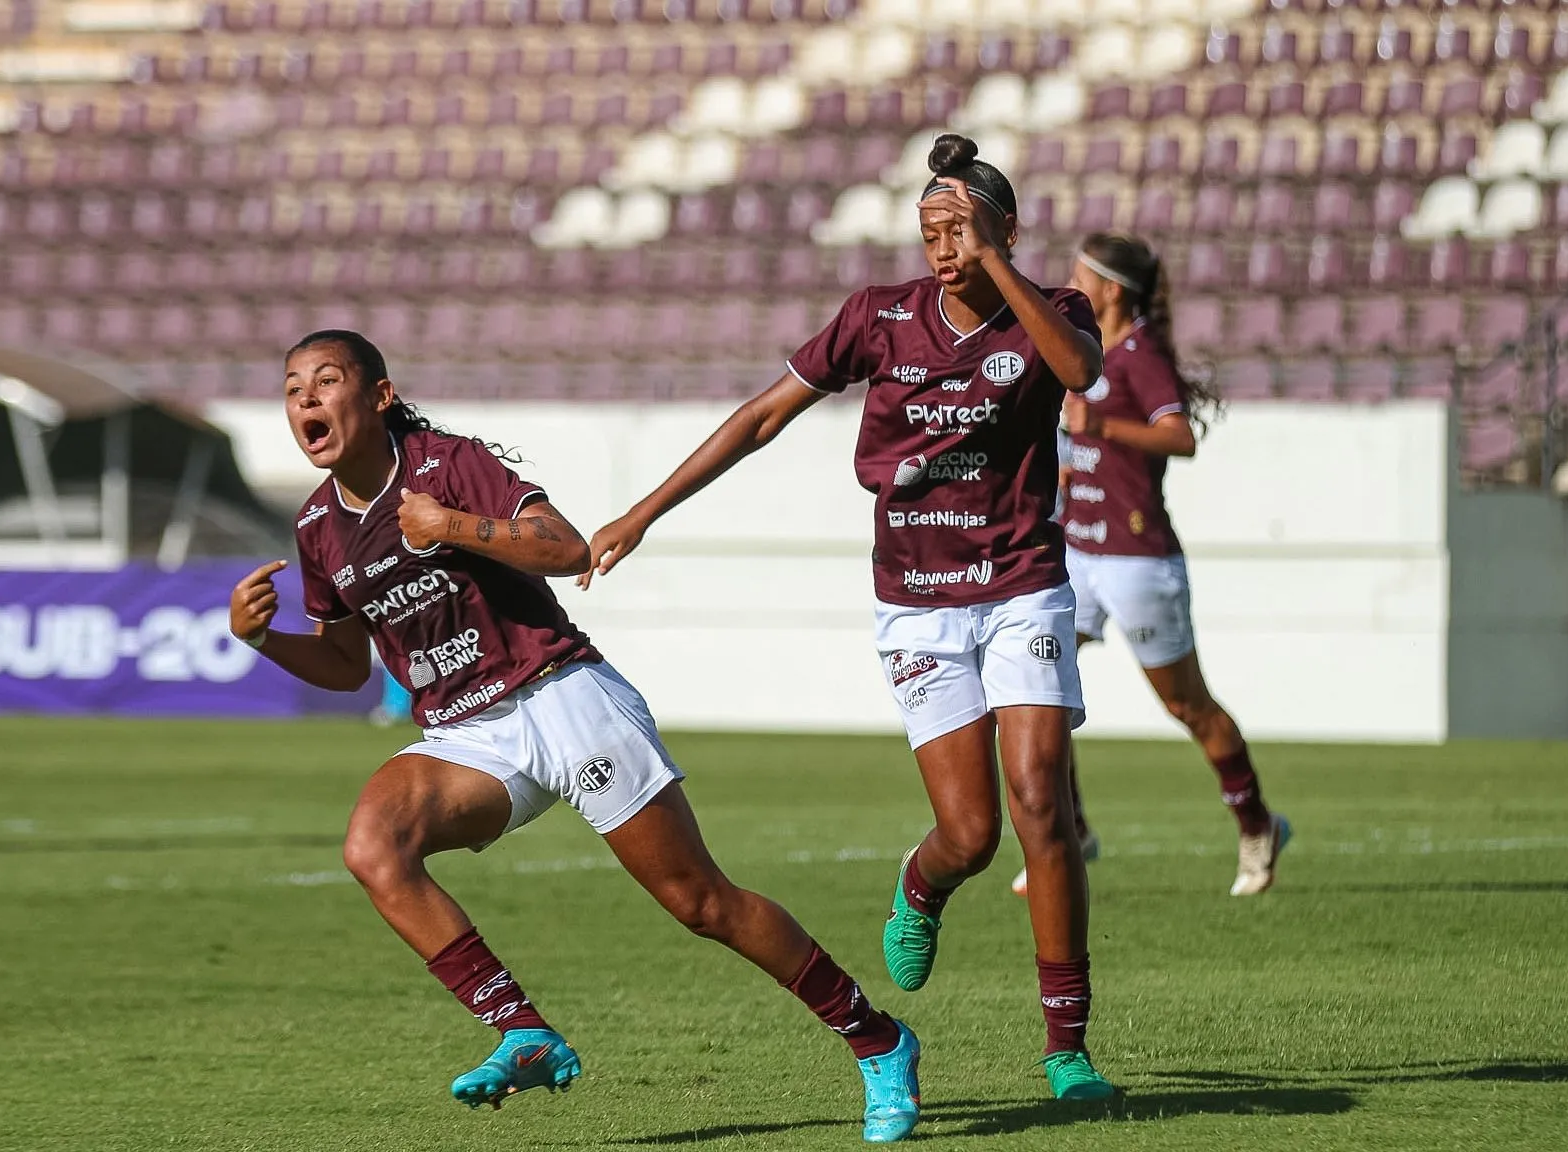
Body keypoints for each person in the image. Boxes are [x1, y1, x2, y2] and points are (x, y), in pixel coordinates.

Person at [228, 330, 923, 1142]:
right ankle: (524, 1033)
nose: (306, 400)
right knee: (374, 846)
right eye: (291, 389)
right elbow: (348, 666)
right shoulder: (318, 527)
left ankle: (878, 1039)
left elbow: (568, 548)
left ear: (379, 396)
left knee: (701, 903)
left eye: (326, 381)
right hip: (467, 735)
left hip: (560, 693)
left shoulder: (445, 465)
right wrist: (265, 640)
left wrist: (452, 524)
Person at [581, 135, 1119, 1101]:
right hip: (916, 602)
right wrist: (643, 512)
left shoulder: (1056, 311)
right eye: (928, 230)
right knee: (971, 836)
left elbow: (1079, 372)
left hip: (1023, 584)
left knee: (1041, 796)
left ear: (1002, 227)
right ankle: (923, 886)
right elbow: (760, 417)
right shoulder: (880, 318)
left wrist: (995, 257)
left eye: (958, 228)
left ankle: (1067, 1046)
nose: (940, 246)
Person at [1005, 233, 1288, 899]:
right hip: (1076, 552)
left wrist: (1101, 428)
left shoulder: (1140, 354)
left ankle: (1256, 825)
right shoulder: (1080, 348)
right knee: (1034, 688)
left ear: (1112, 289)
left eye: (1083, 275)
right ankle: (1068, 829)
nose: (1072, 282)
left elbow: (1180, 436)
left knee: (1186, 703)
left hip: (1137, 559)